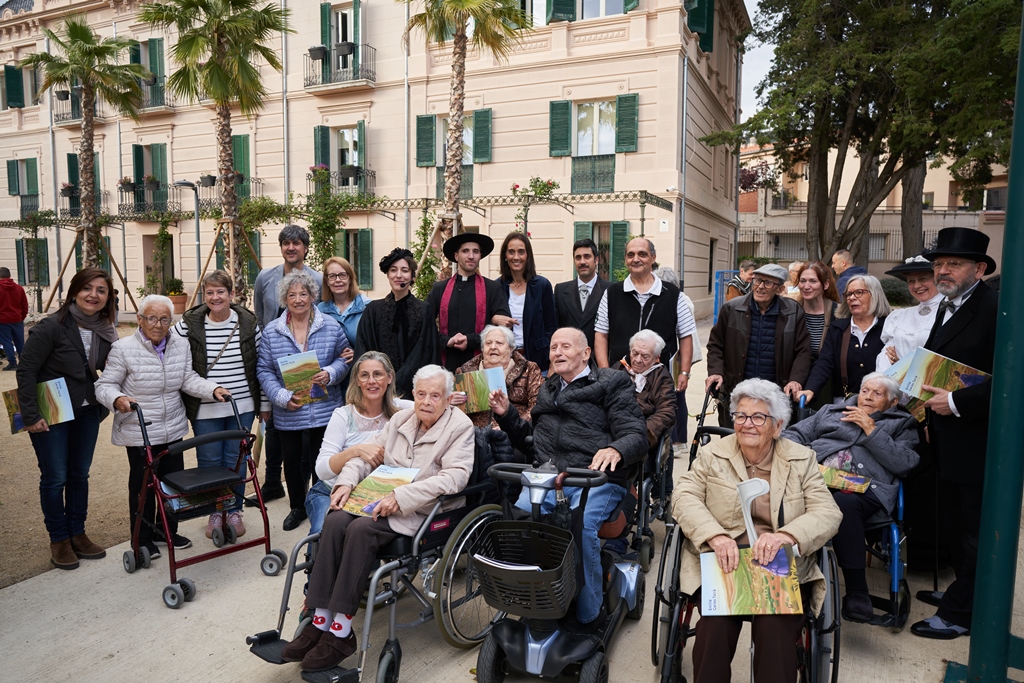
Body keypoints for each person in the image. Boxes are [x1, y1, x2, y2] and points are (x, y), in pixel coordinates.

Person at [280, 365, 475, 671]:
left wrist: (401, 497)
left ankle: (342, 630)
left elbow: (455, 479)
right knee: (334, 520)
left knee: (359, 530)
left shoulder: (459, 427)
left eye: (435, 395)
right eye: (421, 394)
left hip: (421, 510)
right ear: (413, 394)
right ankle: (319, 619)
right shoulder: (400, 419)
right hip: (378, 498)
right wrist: (345, 483)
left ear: (448, 398)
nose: (426, 401)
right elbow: (368, 458)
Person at [672, 378, 842, 683]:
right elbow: (684, 496)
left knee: (775, 632)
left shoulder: (801, 459)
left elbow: (827, 512)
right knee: (713, 632)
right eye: (740, 415)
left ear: (777, 426)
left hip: (779, 566)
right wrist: (715, 535)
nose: (747, 424)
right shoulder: (713, 454)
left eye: (758, 417)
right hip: (726, 562)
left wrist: (787, 536)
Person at [491, 327, 648, 625]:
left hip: (594, 478)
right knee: (521, 521)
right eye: (553, 347)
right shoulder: (549, 387)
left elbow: (636, 435)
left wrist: (616, 449)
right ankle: (539, 600)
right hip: (549, 477)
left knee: (583, 526)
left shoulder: (611, 382)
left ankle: (590, 614)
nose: (557, 352)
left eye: (565, 346)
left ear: (586, 353)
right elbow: (532, 442)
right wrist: (507, 413)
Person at [910, 227, 998, 640]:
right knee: (955, 521)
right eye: (938, 263)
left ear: (979, 269)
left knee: (974, 529)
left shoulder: (997, 306)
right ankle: (963, 594)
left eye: (953, 264)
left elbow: (1012, 379)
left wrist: (959, 404)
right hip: (944, 433)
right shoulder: (947, 305)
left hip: (979, 439)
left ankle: (962, 612)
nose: (942, 271)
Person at [95, 295, 230, 559]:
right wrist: (117, 399)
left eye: (165, 319)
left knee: (172, 484)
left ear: (171, 321)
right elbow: (104, 385)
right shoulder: (123, 348)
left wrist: (213, 389)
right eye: (152, 318)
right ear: (140, 319)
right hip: (140, 428)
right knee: (143, 486)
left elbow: (187, 378)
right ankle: (141, 538)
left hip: (173, 427)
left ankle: (166, 530)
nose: (158, 324)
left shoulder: (180, 345)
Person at [783, 372, 920, 622]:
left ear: (893, 402)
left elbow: (904, 463)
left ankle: (857, 593)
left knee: (844, 504)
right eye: (865, 390)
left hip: (866, 493)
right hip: (816, 482)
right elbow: (792, 436)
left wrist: (871, 429)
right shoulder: (831, 411)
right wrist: (804, 458)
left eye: (877, 394)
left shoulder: (902, 424)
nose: (867, 397)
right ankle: (784, 579)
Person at [16, 267, 119, 570]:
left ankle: (78, 533)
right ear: (74, 291)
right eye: (88, 288)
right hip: (51, 412)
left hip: (86, 412)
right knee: (55, 477)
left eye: (101, 290)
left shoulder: (105, 329)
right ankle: (59, 540)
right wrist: (31, 415)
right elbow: (26, 371)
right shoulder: (51, 327)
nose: (94, 295)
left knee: (79, 475)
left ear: (107, 297)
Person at [173, 270, 268, 542]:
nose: (215, 297)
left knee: (236, 460)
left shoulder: (249, 323)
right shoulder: (189, 323)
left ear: (231, 294)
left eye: (220, 292)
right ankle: (215, 511)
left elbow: (260, 367)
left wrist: (264, 405)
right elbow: (164, 345)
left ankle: (234, 509)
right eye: (210, 292)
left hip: (242, 406)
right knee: (209, 462)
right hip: (205, 408)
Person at [257, 271, 350, 531]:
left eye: (303, 294)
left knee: (324, 459)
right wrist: (281, 397)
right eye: (292, 294)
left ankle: (322, 504)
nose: (298, 299)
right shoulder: (272, 331)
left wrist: (330, 373)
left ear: (313, 296)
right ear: (284, 299)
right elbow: (264, 370)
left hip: (324, 408)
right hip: (290, 410)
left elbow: (344, 358)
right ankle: (297, 506)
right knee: (294, 462)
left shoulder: (330, 325)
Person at [252, 225, 323, 504]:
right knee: (272, 423)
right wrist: (270, 342)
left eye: (296, 243)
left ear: (305, 248)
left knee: (303, 424)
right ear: (280, 248)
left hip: (305, 358)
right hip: (274, 353)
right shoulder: (265, 277)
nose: (291, 247)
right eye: (285, 243)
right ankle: (271, 483)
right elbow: (260, 314)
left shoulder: (317, 278)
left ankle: (303, 489)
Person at [306, 352, 413, 533]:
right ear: (357, 380)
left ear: (389, 377)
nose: (371, 381)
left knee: (363, 536)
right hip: (329, 489)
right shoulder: (343, 415)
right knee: (323, 531)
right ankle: (314, 561)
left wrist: (450, 397)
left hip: (373, 494)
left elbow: (431, 405)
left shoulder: (401, 409)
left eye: (377, 374)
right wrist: (356, 451)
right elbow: (321, 470)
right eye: (364, 375)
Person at [705, 263, 812, 427]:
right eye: (758, 280)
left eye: (768, 283)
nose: (760, 287)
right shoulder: (732, 308)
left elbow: (803, 351)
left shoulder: (793, 312)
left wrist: (795, 379)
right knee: (734, 442)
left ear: (780, 289)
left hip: (775, 395)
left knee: (771, 443)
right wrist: (716, 371)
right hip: (737, 391)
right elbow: (715, 345)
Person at [593, 238, 696, 401]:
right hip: (620, 380)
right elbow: (601, 335)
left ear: (653, 258)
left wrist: (684, 372)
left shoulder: (673, 294)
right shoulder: (612, 293)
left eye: (642, 254)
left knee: (664, 423)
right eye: (630, 255)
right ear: (625, 259)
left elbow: (686, 336)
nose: (636, 259)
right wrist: (605, 372)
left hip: (661, 381)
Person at [354, 248, 438, 397]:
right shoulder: (373, 310)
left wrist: (398, 381)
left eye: (404, 270)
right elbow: (365, 349)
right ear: (388, 274)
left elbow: (425, 350)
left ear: (412, 275)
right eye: (393, 270)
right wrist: (381, 379)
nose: (399, 275)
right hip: (378, 390)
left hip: (414, 389)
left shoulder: (424, 310)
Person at [799, 274, 890, 404]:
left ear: (875, 295)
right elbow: (824, 363)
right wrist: (810, 389)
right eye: (849, 294)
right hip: (844, 404)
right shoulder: (838, 329)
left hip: (881, 405)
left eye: (859, 292)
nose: (852, 298)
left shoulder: (889, 327)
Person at [426, 233, 510, 372]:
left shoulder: (493, 289)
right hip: (446, 363)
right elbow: (425, 323)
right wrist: (446, 341)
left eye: (475, 251)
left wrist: (470, 340)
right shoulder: (439, 289)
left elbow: (503, 329)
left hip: (483, 364)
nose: (471, 256)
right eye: (465, 251)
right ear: (456, 256)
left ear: (480, 256)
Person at [452, 324, 543, 429]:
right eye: (488, 343)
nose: (493, 347)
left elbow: (537, 404)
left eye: (499, 343)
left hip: (515, 434)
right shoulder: (464, 372)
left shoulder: (529, 369)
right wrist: (450, 403)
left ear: (511, 348)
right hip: (476, 435)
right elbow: (455, 414)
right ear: (482, 348)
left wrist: (514, 425)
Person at [497, 231, 556, 373]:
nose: (516, 257)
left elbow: (551, 327)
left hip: (538, 363)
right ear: (505, 256)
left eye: (521, 252)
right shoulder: (496, 287)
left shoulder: (542, 285)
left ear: (528, 255)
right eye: (511, 252)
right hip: (505, 363)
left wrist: (551, 363)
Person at [655, 266, 701, 444]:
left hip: (676, 357)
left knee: (674, 398)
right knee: (678, 398)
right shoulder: (684, 299)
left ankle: (676, 439)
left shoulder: (676, 300)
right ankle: (679, 439)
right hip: (680, 357)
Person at [875, 255, 943, 371]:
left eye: (923, 279)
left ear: (936, 279)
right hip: (897, 385)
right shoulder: (900, 316)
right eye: (911, 281)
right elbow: (886, 356)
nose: (916, 286)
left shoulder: (949, 313)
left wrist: (903, 365)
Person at [616, 329, 676, 449]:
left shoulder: (662, 377)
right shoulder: (618, 369)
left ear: (656, 357)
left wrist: (643, 433)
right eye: (635, 353)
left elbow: (667, 411)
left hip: (640, 432)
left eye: (645, 356)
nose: (638, 360)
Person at [317, 257, 368, 395]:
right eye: (332, 276)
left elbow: (377, 345)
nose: (338, 280)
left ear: (350, 278)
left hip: (361, 378)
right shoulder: (319, 311)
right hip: (331, 381)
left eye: (342, 275)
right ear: (326, 281)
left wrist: (358, 353)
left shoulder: (367, 308)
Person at [553, 238, 609, 350]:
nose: (582, 261)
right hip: (568, 359)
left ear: (596, 260)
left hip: (598, 360)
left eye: (587, 256)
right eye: (578, 257)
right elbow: (555, 327)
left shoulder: (610, 290)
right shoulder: (560, 290)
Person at [796, 261, 840, 362]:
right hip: (797, 373)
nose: (806, 286)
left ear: (825, 284)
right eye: (802, 281)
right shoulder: (792, 311)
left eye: (813, 281)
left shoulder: (838, 312)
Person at [0, 266, 28, 370]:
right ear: (10, 276)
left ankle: (12, 363)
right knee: (20, 342)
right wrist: (21, 317)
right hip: (17, 319)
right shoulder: (19, 288)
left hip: (2, 320)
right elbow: (24, 305)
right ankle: (24, 362)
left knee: (6, 342)